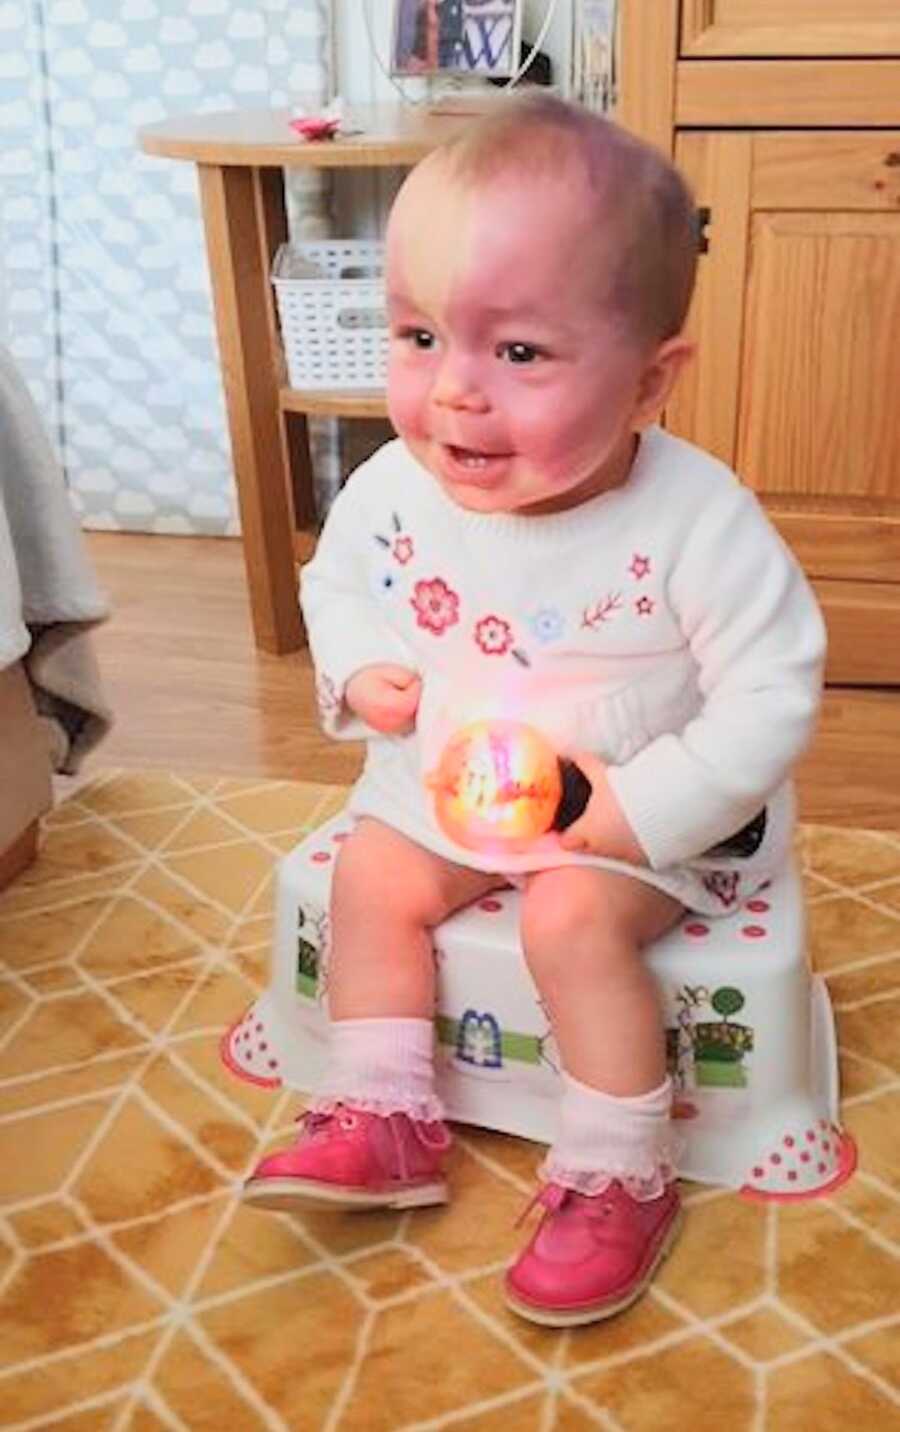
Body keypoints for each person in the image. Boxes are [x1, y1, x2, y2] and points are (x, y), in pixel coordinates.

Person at [244, 94, 826, 1327]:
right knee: (367, 881)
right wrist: (355, 669)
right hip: (447, 775)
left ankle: (619, 1166)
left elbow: (774, 687)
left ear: (651, 382)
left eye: (517, 354)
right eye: (418, 336)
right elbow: (336, 579)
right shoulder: (397, 484)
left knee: (568, 919)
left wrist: (644, 805)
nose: (456, 395)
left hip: (629, 805)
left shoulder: (696, 520)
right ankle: (383, 1106)